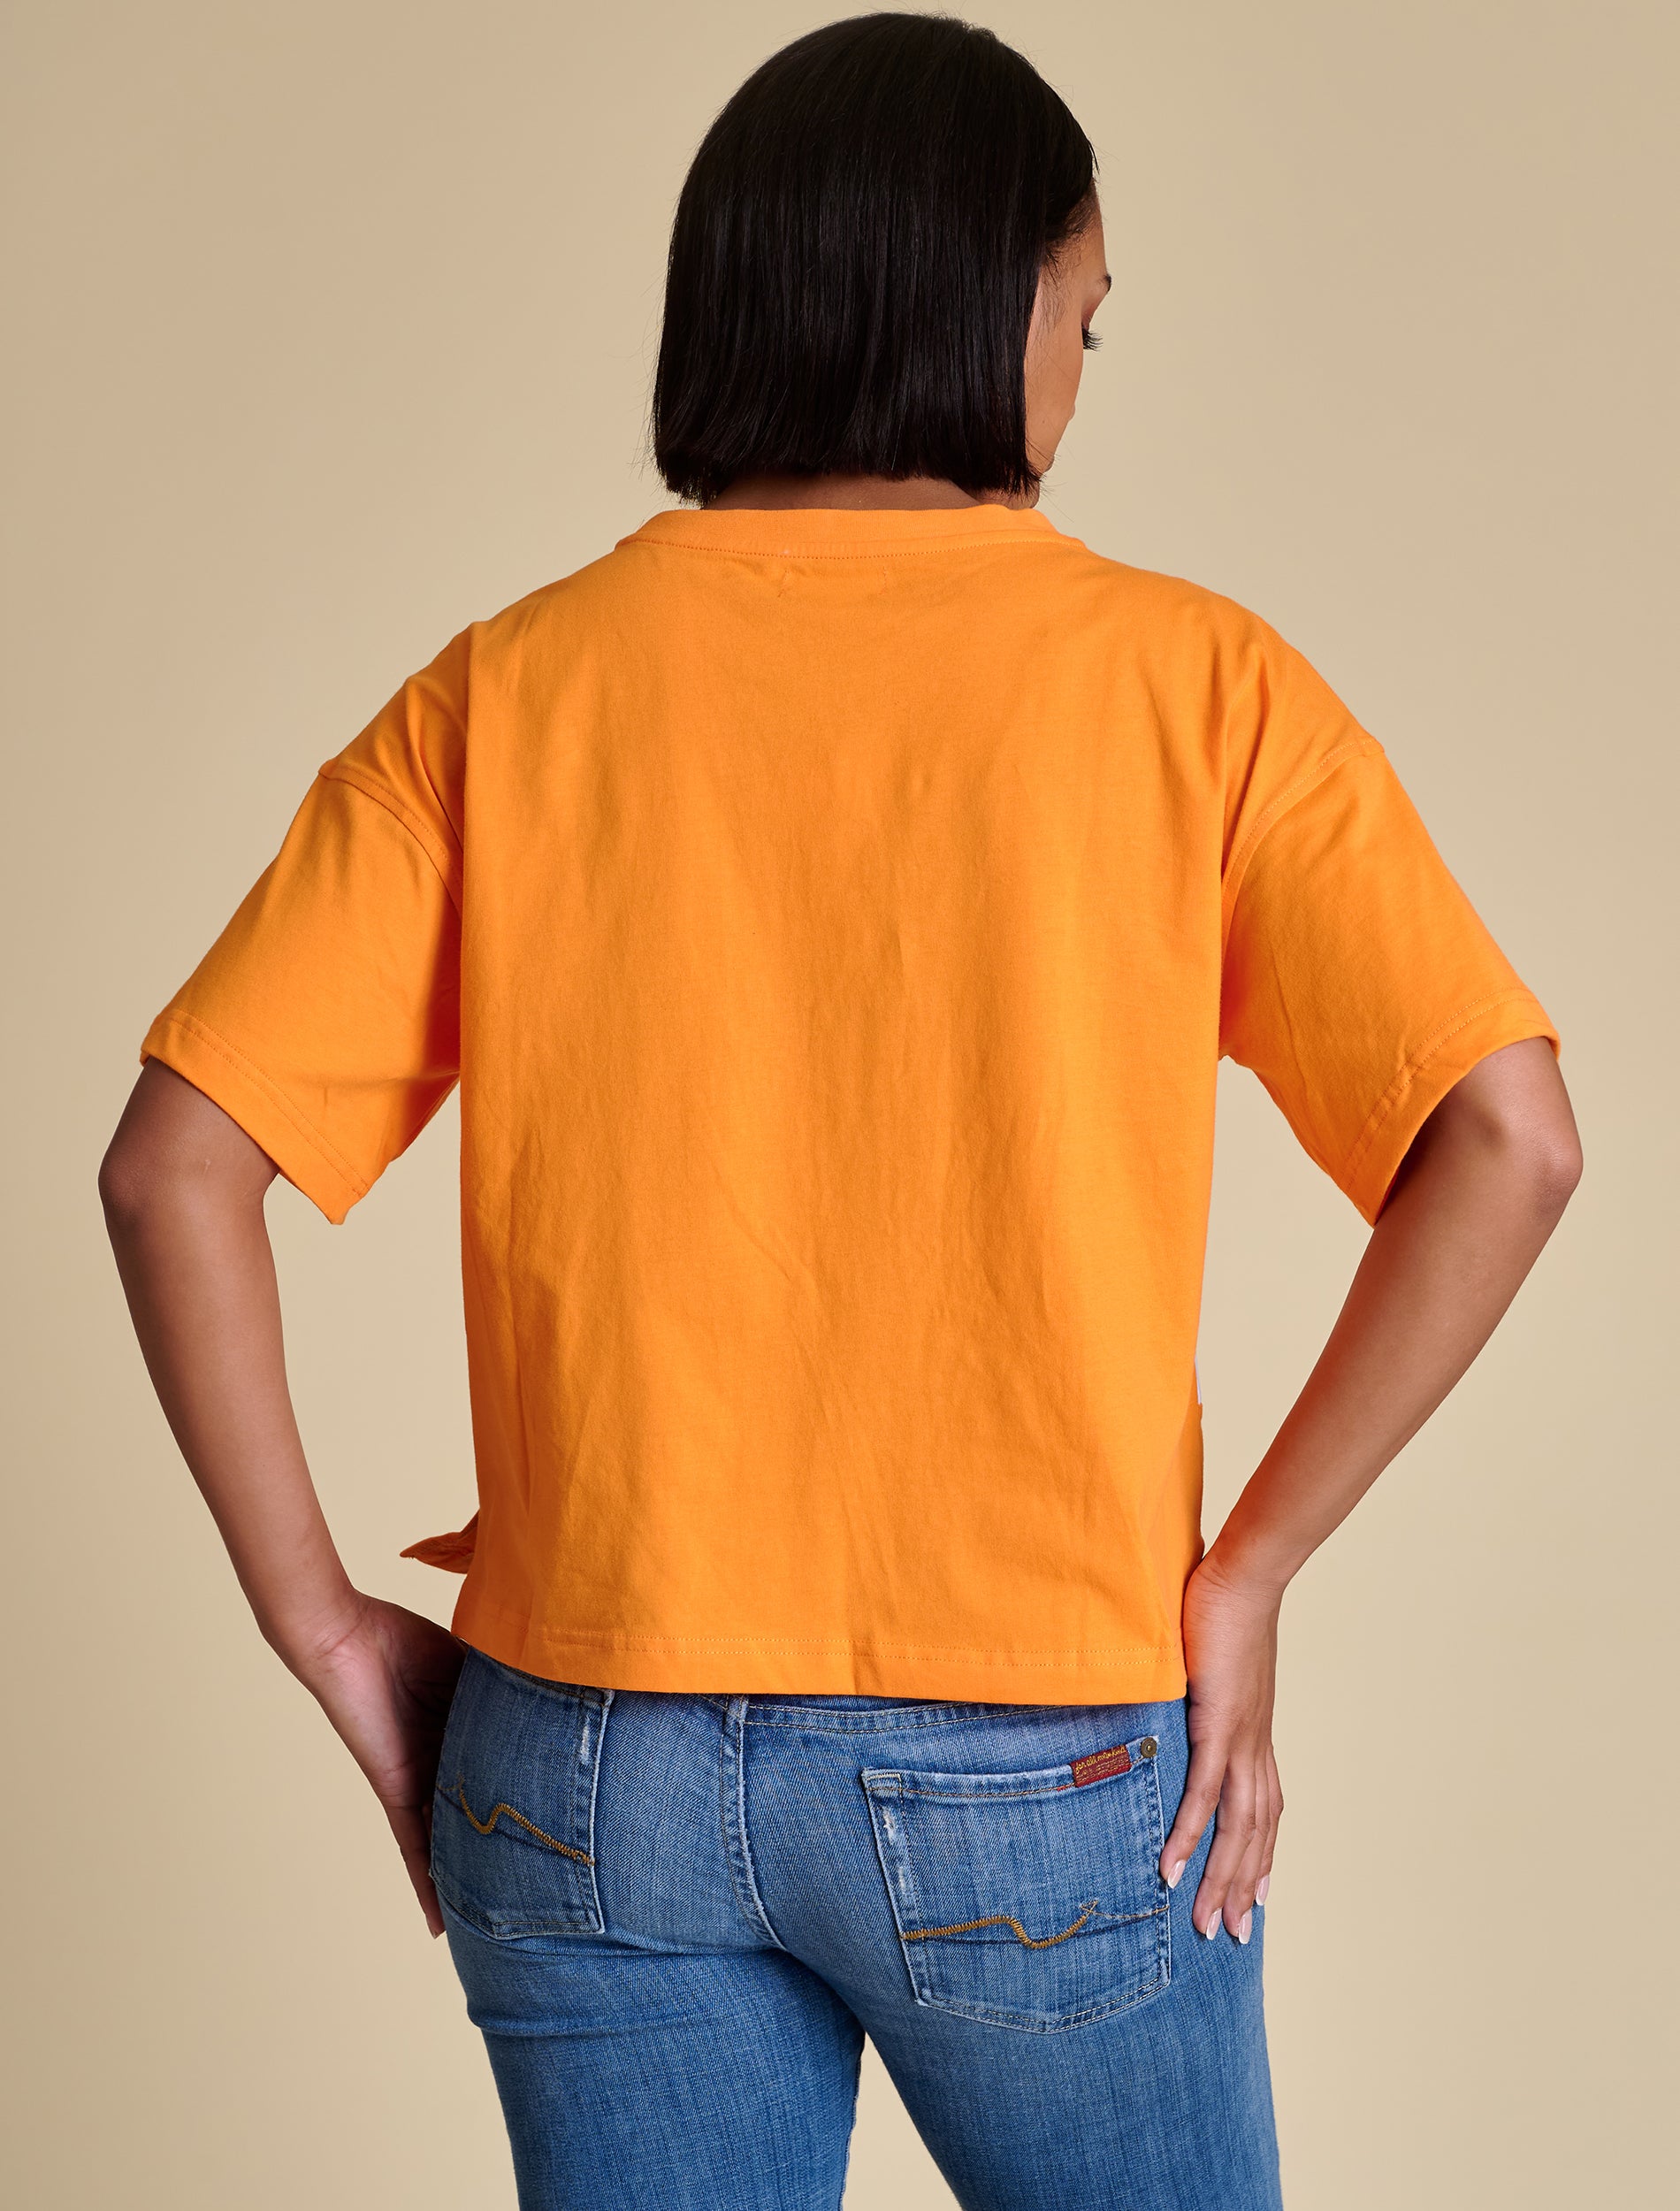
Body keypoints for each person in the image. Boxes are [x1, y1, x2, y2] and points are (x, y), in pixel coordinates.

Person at [99, 14, 1581, 2209]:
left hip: (575, 1752)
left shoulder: (509, 688)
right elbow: (1509, 1137)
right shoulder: (1199, 686)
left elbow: (172, 1166)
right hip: (1037, 1753)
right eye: (1084, 312)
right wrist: (1250, 1567)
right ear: (988, 310)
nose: (1081, 366)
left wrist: (318, 1617)